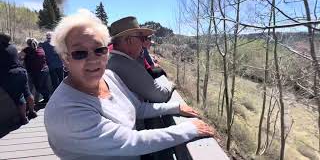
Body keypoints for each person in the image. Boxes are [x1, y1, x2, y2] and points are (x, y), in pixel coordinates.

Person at [44, 9, 216, 160]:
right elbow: (130, 141)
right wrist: (188, 129)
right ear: (64, 59)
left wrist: (175, 107)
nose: (92, 59)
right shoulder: (65, 111)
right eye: (79, 53)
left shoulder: (109, 77)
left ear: (107, 51)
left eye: (99, 49)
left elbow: (136, 108)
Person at [108, 16, 174, 102]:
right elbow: (160, 95)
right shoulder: (128, 66)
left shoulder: (109, 57)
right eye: (142, 39)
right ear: (129, 40)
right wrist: (170, 84)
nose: (143, 43)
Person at [0, 33, 37, 125]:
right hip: (21, 72)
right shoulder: (12, 47)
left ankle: (23, 119)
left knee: (19, 98)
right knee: (27, 93)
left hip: (10, 75)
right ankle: (32, 112)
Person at [20, 38, 51, 103]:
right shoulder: (40, 48)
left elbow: (20, 57)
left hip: (35, 71)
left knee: (38, 87)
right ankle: (47, 98)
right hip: (45, 69)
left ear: (27, 44)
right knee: (44, 85)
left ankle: (48, 99)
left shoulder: (26, 50)